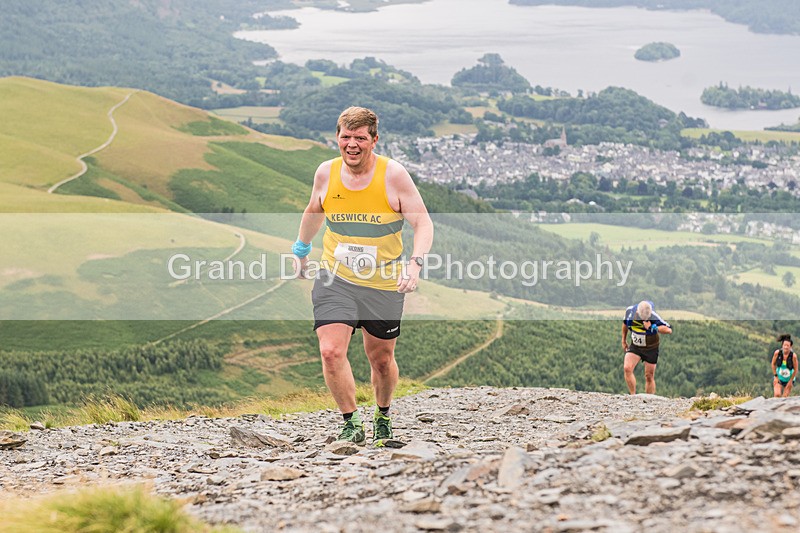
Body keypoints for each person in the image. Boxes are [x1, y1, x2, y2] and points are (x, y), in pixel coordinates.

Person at [292, 106, 433, 446]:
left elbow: (423, 223)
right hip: (334, 276)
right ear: (337, 138)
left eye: (359, 138)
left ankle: (382, 416)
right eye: (345, 137)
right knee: (330, 351)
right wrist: (300, 249)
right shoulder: (326, 173)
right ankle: (350, 422)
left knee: (381, 360)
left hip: (382, 284)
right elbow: (314, 210)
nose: (351, 145)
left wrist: (414, 264)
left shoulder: (393, 175)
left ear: (374, 140)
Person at [621, 300, 672, 395]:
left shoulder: (653, 316)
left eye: (647, 318)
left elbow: (668, 330)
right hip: (636, 346)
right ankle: (633, 396)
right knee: (627, 368)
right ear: (637, 313)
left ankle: (649, 400)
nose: (645, 320)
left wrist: (653, 327)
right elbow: (625, 324)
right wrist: (623, 340)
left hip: (651, 348)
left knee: (649, 376)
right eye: (643, 318)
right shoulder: (630, 312)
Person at [771, 334, 797, 398]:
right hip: (779, 377)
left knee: (784, 398)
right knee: (777, 395)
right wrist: (776, 376)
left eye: (788, 345)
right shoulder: (777, 353)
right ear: (782, 345)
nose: (786, 347)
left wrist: (790, 381)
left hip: (789, 379)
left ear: (790, 347)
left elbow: (796, 369)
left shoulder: (793, 356)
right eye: (784, 345)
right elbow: (773, 364)